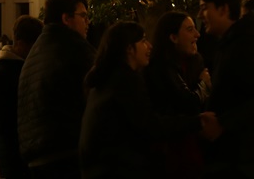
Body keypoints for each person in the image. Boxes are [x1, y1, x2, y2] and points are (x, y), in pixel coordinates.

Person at [80, 22, 208, 178]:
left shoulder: (108, 78)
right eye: (143, 41)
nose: (149, 46)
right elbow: (149, 125)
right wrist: (197, 122)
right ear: (129, 49)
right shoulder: (124, 81)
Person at [198, 0, 254, 179]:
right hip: (233, 156)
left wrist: (224, 123)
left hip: (238, 160)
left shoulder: (243, 46)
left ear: (223, 9)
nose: (201, 15)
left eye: (204, 8)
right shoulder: (229, 44)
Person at [18, 0, 95, 179]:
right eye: (83, 16)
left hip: (39, 152)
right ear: (66, 18)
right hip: (64, 152)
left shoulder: (41, 47)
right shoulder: (72, 47)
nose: (88, 22)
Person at [145, 11, 211, 179]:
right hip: (170, 153)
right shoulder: (160, 67)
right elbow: (188, 102)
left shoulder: (193, 62)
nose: (197, 35)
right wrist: (204, 84)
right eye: (189, 30)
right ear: (173, 37)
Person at [0, 15, 44, 179]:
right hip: (14, 153)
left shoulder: (5, 68)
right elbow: (7, 120)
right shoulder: (8, 71)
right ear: (20, 44)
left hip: (13, 152)